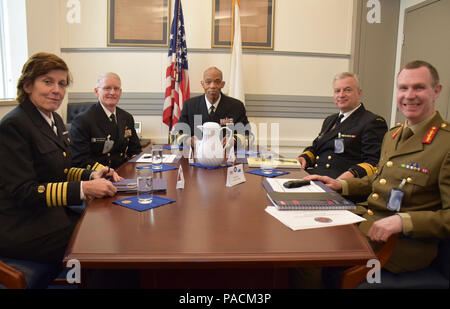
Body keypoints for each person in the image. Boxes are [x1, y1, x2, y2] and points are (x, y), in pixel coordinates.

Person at [306, 60, 449, 276]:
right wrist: (341, 184)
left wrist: (404, 221)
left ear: (436, 91)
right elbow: (379, 180)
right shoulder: (393, 135)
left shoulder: (445, 144)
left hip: (397, 246)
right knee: (305, 237)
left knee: (307, 262)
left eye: (418, 87)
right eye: (403, 88)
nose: (409, 95)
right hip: (365, 222)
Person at [0, 52, 119, 265]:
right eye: (48, 82)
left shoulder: (53, 118)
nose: (57, 90)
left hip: (52, 216)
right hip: (24, 228)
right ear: (28, 85)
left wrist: (91, 174)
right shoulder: (14, 125)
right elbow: (25, 192)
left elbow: (60, 170)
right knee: (104, 243)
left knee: (107, 228)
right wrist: (85, 188)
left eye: (62, 84)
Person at [297, 72, 388, 179]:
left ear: (359, 93)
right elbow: (316, 147)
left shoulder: (373, 121)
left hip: (340, 183)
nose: (341, 95)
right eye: (337, 91)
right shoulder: (330, 120)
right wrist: (304, 158)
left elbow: (373, 162)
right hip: (315, 176)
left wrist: (350, 175)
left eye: (347, 90)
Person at [69, 72, 142, 170]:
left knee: (158, 183)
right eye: (107, 88)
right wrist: (107, 171)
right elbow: (80, 159)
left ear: (120, 92)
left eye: (116, 89)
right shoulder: (83, 120)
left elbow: (135, 150)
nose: (112, 92)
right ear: (96, 91)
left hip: (122, 172)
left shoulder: (126, 117)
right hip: (97, 177)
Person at [175, 66, 250, 148]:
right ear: (202, 84)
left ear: (222, 84)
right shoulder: (189, 105)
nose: (212, 86)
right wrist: (187, 140)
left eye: (217, 82)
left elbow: (246, 133)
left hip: (226, 155)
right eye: (208, 82)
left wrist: (234, 140)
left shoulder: (237, 106)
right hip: (197, 155)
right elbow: (178, 133)